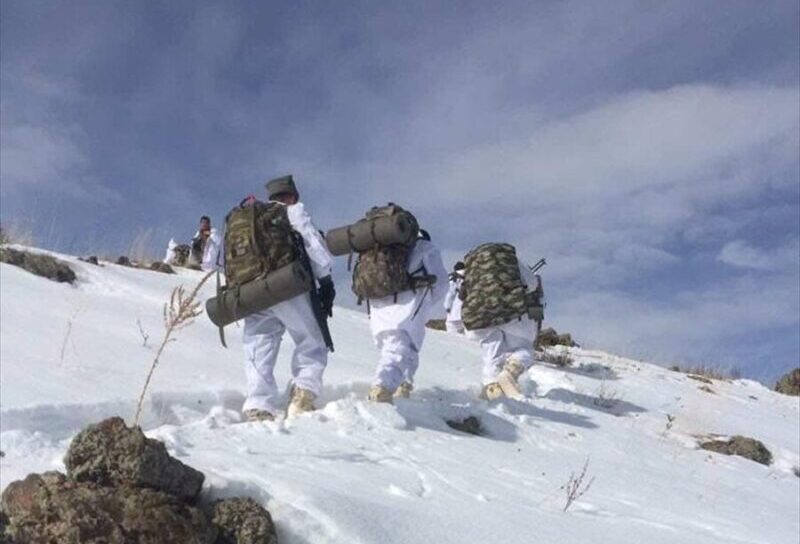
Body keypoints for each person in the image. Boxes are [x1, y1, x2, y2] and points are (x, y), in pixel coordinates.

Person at [203, 175, 335, 421]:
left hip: (250, 292)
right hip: (286, 285)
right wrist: (325, 280)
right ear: (293, 196)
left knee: (258, 344)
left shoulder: (243, 217)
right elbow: (314, 246)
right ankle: (303, 395)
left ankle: (258, 403)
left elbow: (220, 262)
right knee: (312, 341)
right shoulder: (292, 212)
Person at [365, 228, 448, 402]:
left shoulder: (378, 247)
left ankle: (403, 386)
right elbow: (441, 283)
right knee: (400, 349)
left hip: (377, 304)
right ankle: (383, 387)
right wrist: (428, 301)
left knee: (397, 348)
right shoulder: (425, 246)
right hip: (408, 304)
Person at [460, 244, 539, 400]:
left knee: (491, 353)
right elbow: (532, 283)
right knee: (524, 348)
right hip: (512, 312)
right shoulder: (512, 261)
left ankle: (491, 387)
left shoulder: (472, 268)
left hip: (482, 316)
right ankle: (511, 371)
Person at [444, 261, 465, 334]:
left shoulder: (453, 277)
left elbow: (450, 292)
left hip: (454, 310)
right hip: (466, 311)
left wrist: (447, 306)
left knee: (452, 335)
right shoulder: (469, 277)